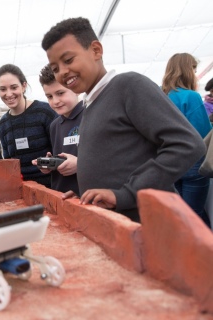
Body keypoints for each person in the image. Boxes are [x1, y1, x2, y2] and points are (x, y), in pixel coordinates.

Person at [41, 17, 206, 222]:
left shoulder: (129, 86)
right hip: (121, 227)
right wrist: (86, 197)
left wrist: (127, 193)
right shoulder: (91, 104)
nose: (63, 72)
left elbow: (188, 144)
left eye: (68, 60)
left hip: (148, 225)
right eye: (55, 68)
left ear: (95, 50)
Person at [162, 53, 212, 227]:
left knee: (182, 216)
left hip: (169, 164)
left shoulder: (161, 97)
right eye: (193, 69)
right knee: (195, 216)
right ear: (186, 70)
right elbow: (203, 133)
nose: (195, 73)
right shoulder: (191, 96)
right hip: (193, 163)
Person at [0, 64, 58, 188]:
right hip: (24, 190)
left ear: (24, 86)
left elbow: (60, 152)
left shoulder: (44, 112)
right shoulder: (3, 123)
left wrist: (49, 164)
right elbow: (9, 162)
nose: (8, 94)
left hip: (52, 187)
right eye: (3, 89)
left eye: (14, 87)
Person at [32, 64, 84, 195]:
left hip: (86, 196)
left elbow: (109, 159)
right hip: (61, 195)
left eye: (60, 93)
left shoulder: (91, 115)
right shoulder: (54, 125)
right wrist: (50, 165)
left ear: (76, 89)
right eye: (49, 96)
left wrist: (80, 164)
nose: (55, 101)